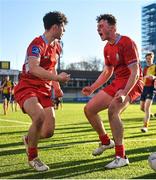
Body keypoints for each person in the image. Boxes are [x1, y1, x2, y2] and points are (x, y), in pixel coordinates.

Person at [82, 14, 143, 169]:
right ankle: (105, 142)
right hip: (118, 82)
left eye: (101, 26)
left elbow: (135, 72)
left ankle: (121, 156)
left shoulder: (126, 42)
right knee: (89, 109)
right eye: (97, 27)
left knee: (113, 110)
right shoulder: (107, 47)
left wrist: (124, 92)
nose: (98, 29)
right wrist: (92, 87)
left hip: (133, 82)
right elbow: (107, 72)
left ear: (113, 27)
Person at [14, 11, 70, 172]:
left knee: (48, 131)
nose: (64, 31)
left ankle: (28, 139)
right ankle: (33, 158)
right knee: (38, 116)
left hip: (45, 89)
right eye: (63, 27)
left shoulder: (57, 47)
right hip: (28, 85)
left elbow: (51, 67)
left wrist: (57, 88)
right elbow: (33, 68)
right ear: (55, 27)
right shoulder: (36, 44)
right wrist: (58, 78)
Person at [140, 52, 155, 133]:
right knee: (142, 108)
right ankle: (151, 114)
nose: (148, 60)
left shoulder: (155, 67)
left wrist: (154, 77)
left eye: (150, 58)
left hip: (151, 89)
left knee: (146, 108)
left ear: (152, 58)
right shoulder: (144, 68)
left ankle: (145, 126)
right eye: (147, 59)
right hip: (144, 89)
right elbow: (141, 78)